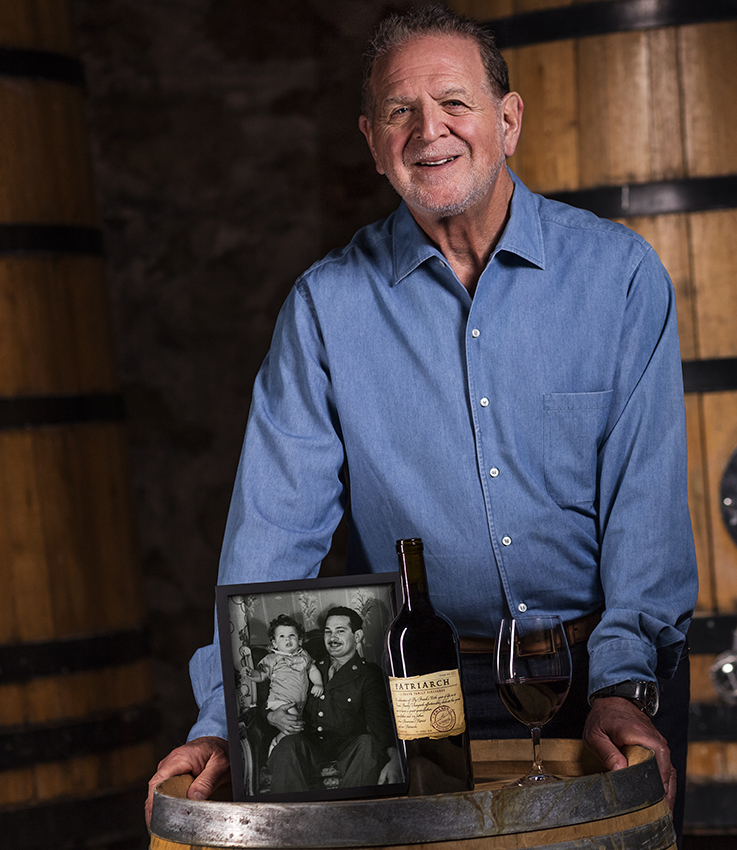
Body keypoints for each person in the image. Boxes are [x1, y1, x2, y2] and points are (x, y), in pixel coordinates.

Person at [143, 4, 696, 831]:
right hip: (422, 685)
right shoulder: (325, 309)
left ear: (507, 121)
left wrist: (623, 687)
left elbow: (646, 512)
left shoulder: (619, 277)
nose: (428, 131)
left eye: (454, 103)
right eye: (401, 111)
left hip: (601, 676)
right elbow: (272, 536)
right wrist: (224, 718)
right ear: (372, 140)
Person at [262, 608, 402, 792]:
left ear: (357, 635)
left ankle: (352, 815)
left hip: (349, 751)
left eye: (340, 631)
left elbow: (380, 722)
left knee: (368, 744)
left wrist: (395, 757)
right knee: (288, 745)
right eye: (328, 631)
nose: (332, 637)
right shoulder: (308, 664)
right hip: (310, 747)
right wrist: (272, 716)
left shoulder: (369, 674)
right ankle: (293, 818)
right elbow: (276, 694)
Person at [240, 614, 325, 746]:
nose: (288, 639)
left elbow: (312, 669)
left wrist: (318, 683)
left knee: (297, 727)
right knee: (294, 724)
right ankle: (276, 744)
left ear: (300, 640)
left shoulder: (304, 656)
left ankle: (282, 744)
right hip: (280, 700)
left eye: (292, 635)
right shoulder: (273, 658)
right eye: (282, 636)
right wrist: (251, 673)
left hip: (298, 703)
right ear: (274, 643)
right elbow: (262, 674)